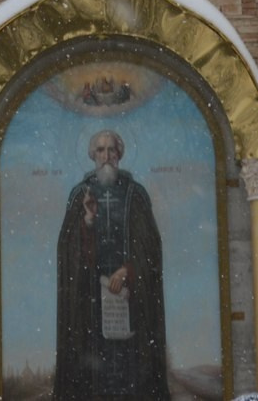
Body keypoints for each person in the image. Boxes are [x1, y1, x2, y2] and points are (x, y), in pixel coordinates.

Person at [53, 129, 168, 401]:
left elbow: (149, 246)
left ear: (120, 154)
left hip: (129, 297)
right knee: (91, 366)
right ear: (92, 155)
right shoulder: (80, 194)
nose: (106, 156)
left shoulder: (135, 194)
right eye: (101, 150)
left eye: (111, 150)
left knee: (130, 365)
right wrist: (88, 221)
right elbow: (68, 249)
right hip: (90, 299)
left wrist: (127, 270)